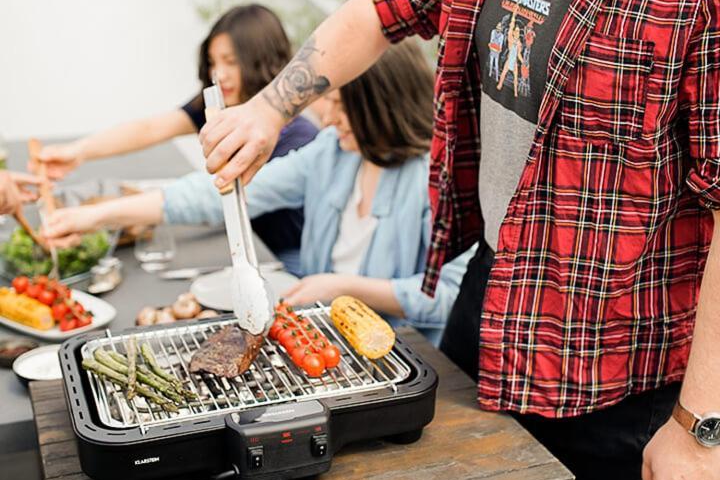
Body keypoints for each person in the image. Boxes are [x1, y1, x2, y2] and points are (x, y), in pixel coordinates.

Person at [193, 0, 720, 480]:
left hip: (622, 370)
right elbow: (381, 10)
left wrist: (700, 429)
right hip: (491, 299)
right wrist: (268, 108)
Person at [43, 42, 473, 342]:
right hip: (321, 334)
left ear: (385, 107)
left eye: (343, 107)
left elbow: (449, 298)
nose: (328, 117)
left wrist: (341, 287)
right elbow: (223, 192)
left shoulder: (445, 178)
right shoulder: (329, 151)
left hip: (399, 352)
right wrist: (92, 217)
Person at [36, 4, 318, 263]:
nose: (219, 73)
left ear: (261, 59)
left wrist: (94, 216)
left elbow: (212, 195)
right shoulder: (221, 106)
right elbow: (151, 128)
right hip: (240, 247)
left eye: (230, 61)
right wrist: (78, 152)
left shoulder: (298, 138)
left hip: (283, 257)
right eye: (212, 61)